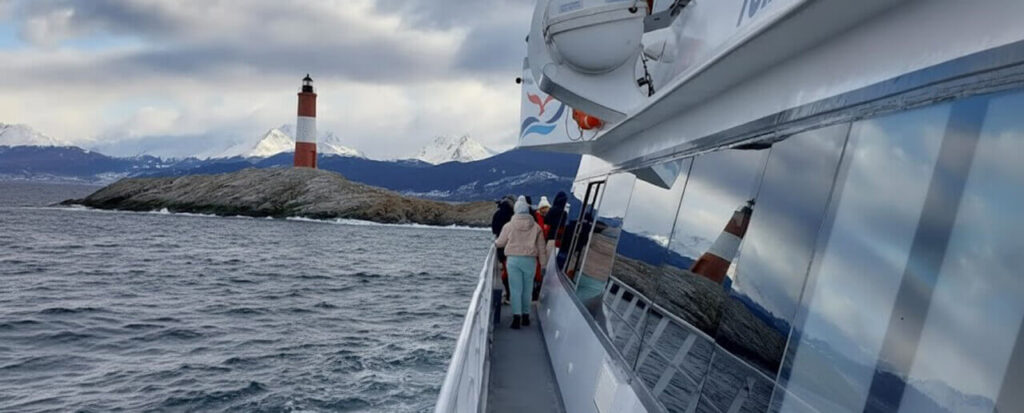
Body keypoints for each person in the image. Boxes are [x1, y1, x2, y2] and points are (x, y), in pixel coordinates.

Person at [494, 196, 548, 329]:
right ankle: (526, 316)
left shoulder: (509, 225)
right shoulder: (536, 227)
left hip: (513, 260)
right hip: (530, 261)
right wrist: (543, 264)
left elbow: (500, 242)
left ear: (516, 210)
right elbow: (541, 248)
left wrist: (494, 243)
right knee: (527, 289)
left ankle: (516, 318)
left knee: (515, 289)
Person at [490, 195, 514, 306]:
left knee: (504, 269)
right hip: (513, 246)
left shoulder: (497, 215)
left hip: (501, 246)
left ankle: (507, 292)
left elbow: (494, 228)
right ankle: (511, 293)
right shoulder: (512, 216)